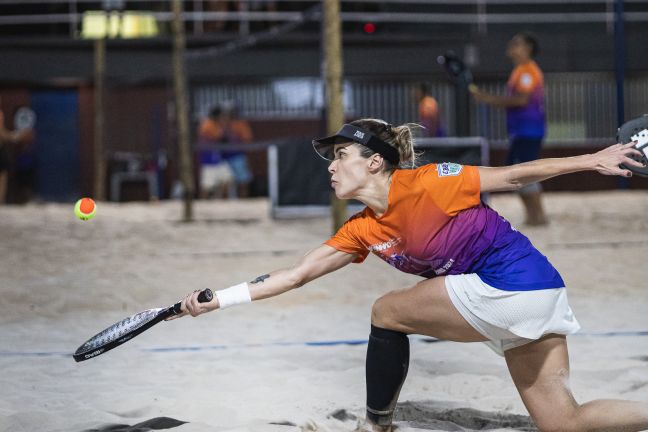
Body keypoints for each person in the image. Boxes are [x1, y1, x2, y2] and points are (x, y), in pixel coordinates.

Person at [171, 119, 648, 432]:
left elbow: (517, 175)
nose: (332, 167)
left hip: (509, 284)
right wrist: (221, 299)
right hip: (537, 292)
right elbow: (295, 275)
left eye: (341, 155)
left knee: (386, 311)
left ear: (375, 161)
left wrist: (591, 160)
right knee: (563, 423)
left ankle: (377, 425)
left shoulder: (429, 181)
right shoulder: (362, 228)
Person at [470, 32, 549, 226]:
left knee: (525, 172)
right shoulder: (520, 71)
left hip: (529, 130)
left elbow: (521, 100)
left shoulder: (528, 71)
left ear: (528, 48)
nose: (511, 48)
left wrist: (489, 99)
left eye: (516, 44)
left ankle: (538, 216)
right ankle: (535, 216)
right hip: (522, 130)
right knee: (520, 171)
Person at [197, 106, 234, 199]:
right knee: (206, 186)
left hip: (218, 159)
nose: (223, 117)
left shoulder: (217, 124)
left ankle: (220, 199)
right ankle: (202, 204)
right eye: (221, 115)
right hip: (209, 160)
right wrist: (224, 126)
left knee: (228, 179)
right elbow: (218, 138)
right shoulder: (208, 124)